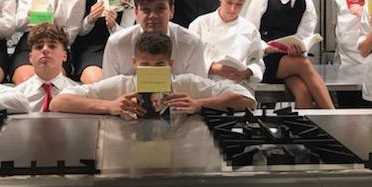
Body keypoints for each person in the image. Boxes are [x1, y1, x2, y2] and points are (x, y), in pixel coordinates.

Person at [51, 32, 255, 118]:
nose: (152, 70)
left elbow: (247, 99)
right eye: (145, 65)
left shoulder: (186, 86)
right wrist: (109, 106)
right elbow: (58, 102)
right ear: (134, 64)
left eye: (159, 65)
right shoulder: (120, 86)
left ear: (170, 65)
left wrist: (200, 104)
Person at [245, 0, 335, 109]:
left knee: (303, 91)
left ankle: (305, 125)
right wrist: (266, 47)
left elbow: (305, 34)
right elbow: (248, 33)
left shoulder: (305, 2)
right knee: (303, 64)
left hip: (289, 60)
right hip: (264, 59)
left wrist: (300, 48)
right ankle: (332, 115)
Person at [189, 0, 264, 94]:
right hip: (205, 88)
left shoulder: (249, 29)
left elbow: (258, 63)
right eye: (228, 2)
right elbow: (188, 60)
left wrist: (247, 72)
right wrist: (213, 68)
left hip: (239, 90)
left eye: (239, 4)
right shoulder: (200, 24)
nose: (233, 9)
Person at [101, 0, 206, 78]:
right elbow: (108, 87)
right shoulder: (117, 44)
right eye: (146, 9)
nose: (153, 15)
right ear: (136, 12)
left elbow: (199, 86)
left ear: (171, 11)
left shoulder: (191, 43)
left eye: (160, 8)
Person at [71, 0, 136, 84]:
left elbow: (127, 32)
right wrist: (90, 19)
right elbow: (79, 31)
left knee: (125, 81)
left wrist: (113, 26)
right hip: (92, 48)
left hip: (120, 49)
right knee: (96, 80)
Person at [15, 24, 80, 112]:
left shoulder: (78, 93)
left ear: (64, 56)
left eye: (52, 46)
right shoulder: (17, 95)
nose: (45, 50)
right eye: (39, 47)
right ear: (30, 57)